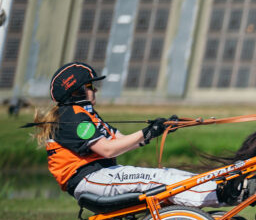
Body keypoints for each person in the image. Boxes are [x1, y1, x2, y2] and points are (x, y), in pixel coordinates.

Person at [34, 61, 234, 208]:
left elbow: (121, 141)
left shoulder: (86, 114)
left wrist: (157, 131)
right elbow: (107, 149)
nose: (95, 90)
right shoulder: (71, 117)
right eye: (90, 86)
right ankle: (221, 194)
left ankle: (223, 186)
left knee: (171, 174)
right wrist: (147, 131)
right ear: (76, 91)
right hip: (89, 180)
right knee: (155, 178)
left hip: (102, 175)